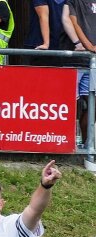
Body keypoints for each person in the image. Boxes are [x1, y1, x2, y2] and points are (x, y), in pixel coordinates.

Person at [67, 0, 96, 147]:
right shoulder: (73, 1)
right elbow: (73, 21)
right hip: (74, 60)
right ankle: (71, 142)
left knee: (92, 104)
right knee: (72, 103)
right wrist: (88, 45)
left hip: (92, 62)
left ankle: (87, 145)